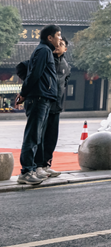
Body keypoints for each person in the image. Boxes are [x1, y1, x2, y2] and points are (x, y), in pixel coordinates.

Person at [16, 25, 62, 185]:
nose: (60, 39)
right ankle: (26, 171)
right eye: (58, 35)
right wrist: (24, 93)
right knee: (33, 135)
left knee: (38, 136)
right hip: (38, 98)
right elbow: (34, 73)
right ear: (50, 37)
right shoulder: (43, 50)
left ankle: (33, 168)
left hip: (44, 97)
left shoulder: (46, 51)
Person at [35, 36, 71, 178]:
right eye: (58, 43)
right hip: (43, 103)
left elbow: (65, 82)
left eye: (61, 44)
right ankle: (37, 166)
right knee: (40, 136)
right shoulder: (45, 57)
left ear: (65, 49)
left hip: (56, 105)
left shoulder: (66, 66)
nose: (58, 46)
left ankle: (46, 164)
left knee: (51, 137)